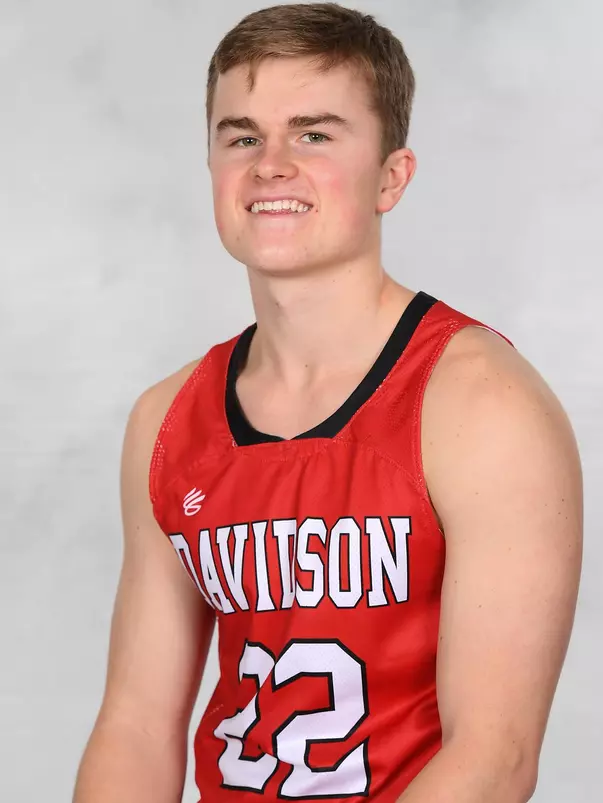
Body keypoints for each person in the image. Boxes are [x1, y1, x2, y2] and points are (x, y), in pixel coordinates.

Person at [72, 4, 583, 802]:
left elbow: (495, 754)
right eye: (241, 136)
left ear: (390, 176)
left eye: (313, 134)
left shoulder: (482, 403)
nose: (271, 163)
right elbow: (136, 723)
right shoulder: (166, 419)